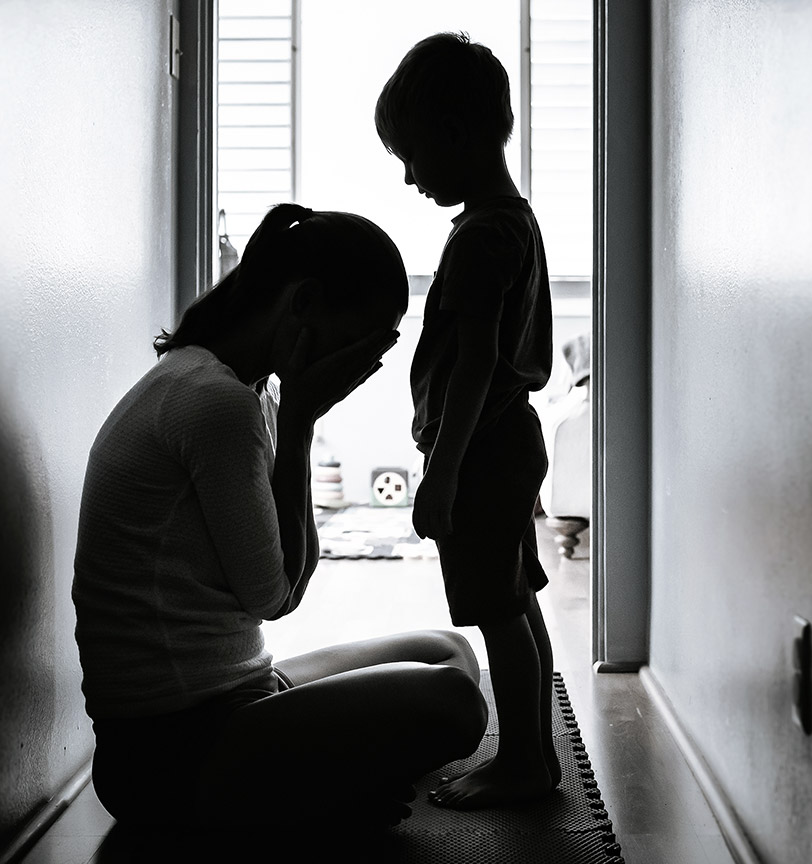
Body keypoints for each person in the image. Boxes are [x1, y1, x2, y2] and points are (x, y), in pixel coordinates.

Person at [71, 204, 488, 843]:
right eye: (365, 337)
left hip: (240, 693)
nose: (363, 363)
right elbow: (276, 595)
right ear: (304, 303)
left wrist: (294, 417)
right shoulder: (215, 403)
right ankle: (299, 805)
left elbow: (276, 582)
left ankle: (305, 787)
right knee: (454, 704)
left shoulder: (234, 387)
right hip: (170, 755)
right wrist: (299, 425)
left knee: (452, 655)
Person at [375, 33, 558, 809]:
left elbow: (477, 364)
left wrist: (442, 473)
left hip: (482, 449)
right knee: (516, 603)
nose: (411, 176)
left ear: (455, 134)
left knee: (495, 610)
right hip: (507, 440)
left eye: (412, 154)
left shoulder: (484, 237)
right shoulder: (510, 221)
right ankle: (535, 753)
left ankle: (520, 762)